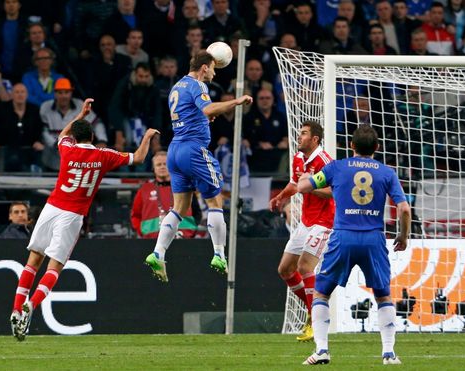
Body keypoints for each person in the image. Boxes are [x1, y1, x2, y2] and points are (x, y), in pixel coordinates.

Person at [10, 98, 158, 341]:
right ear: (92, 136)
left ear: (76, 136)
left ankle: (17, 308)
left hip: (51, 207)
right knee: (54, 266)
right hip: (72, 215)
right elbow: (139, 158)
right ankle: (32, 306)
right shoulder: (104, 155)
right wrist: (147, 137)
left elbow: (65, 132)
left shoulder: (67, 148)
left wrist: (80, 113)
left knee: (33, 259)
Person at [297, 125, 411, 365]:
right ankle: (389, 353)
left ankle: (322, 350)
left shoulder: (337, 167)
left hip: (343, 237)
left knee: (321, 292)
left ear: (351, 146)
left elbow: (304, 187)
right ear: (377, 148)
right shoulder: (387, 172)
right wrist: (403, 236)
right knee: (383, 295)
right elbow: (404, 208)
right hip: (373, 238)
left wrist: (306, 177)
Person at [144, 50, 252, 283]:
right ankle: (219, 254)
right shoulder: (198, 85)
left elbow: (193, 113)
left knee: (179, 207)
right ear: (205, 67)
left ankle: (158, 253)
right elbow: (207, 109)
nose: (214, 73)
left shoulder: (177, 86)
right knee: (215, 201)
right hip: (193, 149)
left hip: (174, 150)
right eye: (213, 68)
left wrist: (205, 118)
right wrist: (237, 101)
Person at [269, 121, 334, 342]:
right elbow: (295, 183)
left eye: (304, 133)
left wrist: (312, 186)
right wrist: (281, 196)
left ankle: (317, 322)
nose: (300, 136)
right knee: (285, 270)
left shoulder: (325, 161)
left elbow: (333, 191)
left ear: (315, 139)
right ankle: (311, 311)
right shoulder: (298, 158)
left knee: (305, 266)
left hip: (324, 222)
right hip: (306, 222)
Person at [131, 151, 198, 239]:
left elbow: (197, 213)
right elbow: (135, 215)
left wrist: (191, 231)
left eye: (165, 164)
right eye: (158, 165)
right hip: (151, 241)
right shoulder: (144, 190)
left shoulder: (185, 187)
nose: (162, 167)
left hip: (183, 240)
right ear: (153, 168)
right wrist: (143, 232)